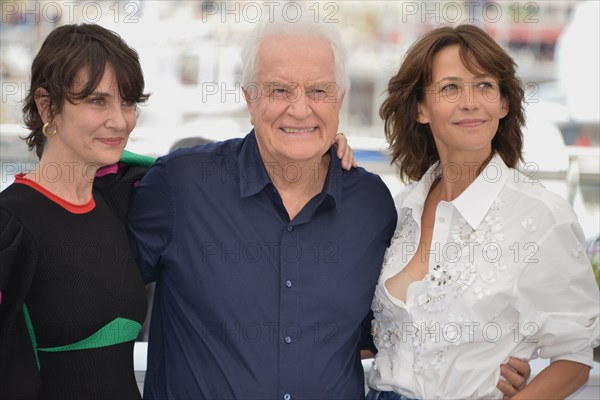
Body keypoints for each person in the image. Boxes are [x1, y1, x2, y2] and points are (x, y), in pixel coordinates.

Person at [128, 15, 532, 399]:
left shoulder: (370, 204)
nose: (300, 108)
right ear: (250, 97)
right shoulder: (180, 186)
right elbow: (100, 292)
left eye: (318, 91)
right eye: (279, 90)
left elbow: (400, 326)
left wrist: (490, 362)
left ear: (339, 99)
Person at [367, 24, 600, 400]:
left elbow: (573, 357)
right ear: (421, 109)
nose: (470, 101)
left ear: (503, 104)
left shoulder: (542, 218)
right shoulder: (400, 210)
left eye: (484, 86)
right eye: (450, 87)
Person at [0, 24, 150, 398]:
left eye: (128, 101)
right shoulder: (10, 226)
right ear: (47, 105)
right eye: (98, 101)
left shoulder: (120, 200)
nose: (120, 120)